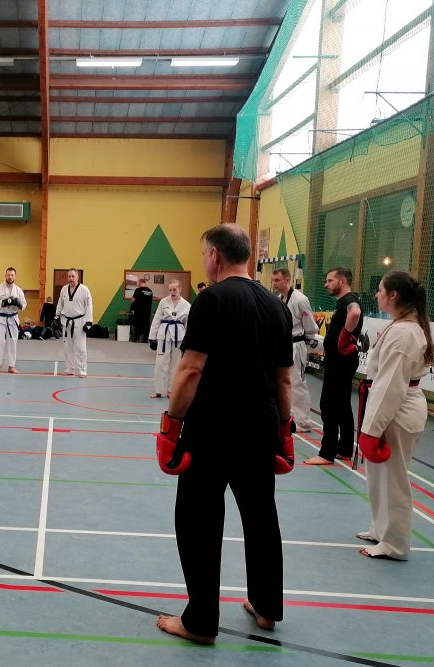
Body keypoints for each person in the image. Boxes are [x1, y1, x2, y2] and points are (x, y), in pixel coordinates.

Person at [155, 223, 292, 644]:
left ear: (215, 254)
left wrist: (170, 426)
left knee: (198, 519)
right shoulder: (277, 306)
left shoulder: (211, 299)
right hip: (260, 425)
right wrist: (284, 431)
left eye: (203, 255)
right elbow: (284, 380)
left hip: (212, 427)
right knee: (260, 516)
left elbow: (191, 369)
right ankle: (267, 608)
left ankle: (199, 621)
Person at [355, 272, 432, 561]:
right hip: (392, 407)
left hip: (397, 412)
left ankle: (395, 543)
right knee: (378, 477)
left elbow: (390, 387)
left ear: (394, 295)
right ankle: (381, 529)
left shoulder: (404, 333)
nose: (376, 295)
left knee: (394, 480)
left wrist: (371, 430)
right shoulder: (401, 326)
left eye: (380, 290)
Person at [306, 267, 364, 465]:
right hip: (339, 361)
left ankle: (326, 453)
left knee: (329, 405)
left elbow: (355, 312)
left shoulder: (349, 301)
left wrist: (345, 336)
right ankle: (345, 448)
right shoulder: (343, 302)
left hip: (340, 361)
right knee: (342, 404)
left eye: (330, 280)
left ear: (342, 281)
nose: (326, 284)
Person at [271, 268, 319, 431]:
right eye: (273, 280)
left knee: (297, 382)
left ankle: (303, 421)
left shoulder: (300, 299)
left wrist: (308, 342)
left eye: (277, 280)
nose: (274, 283)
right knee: (283, 381)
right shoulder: (279, 299)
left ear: (287, 280)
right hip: (283, 344)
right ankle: (289, 414)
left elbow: (310, 326)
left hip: (297, 344)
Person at [148, 279, 190, 398]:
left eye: (174, 289)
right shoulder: (163, 302)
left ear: (180, 290)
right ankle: (158, 390)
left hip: (179, 335)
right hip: (164, 333)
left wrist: (188, 341)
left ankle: (171, 390)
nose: (172, 292)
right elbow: (156, 319)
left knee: (176, 363)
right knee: (161, 362)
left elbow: (188, 324)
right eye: (170, 290)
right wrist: (152, 337)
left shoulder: (186, 305)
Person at [55, 269, 94, 378]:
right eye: (69, 276)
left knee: (80, 347)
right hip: (66, 322)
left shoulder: (84, 290)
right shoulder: (64, 289)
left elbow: (89, 306)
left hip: (80, 322)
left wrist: (89, 321)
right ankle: (70, 369)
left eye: (73, 276)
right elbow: (60, 303)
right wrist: (56, 316)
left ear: (77, 277)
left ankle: (82, 370)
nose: (71, 278)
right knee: (67, 347)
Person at [0, 267, 27, 373]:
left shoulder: (18, 290)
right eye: (8, 275)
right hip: (0, 317)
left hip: (13, 317)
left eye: (12, 275)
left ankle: (11, 366)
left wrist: (19, 304)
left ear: (15, 276)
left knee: (12, 341)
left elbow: (24, 305)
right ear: (5, 275)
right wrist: (3, 302)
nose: (10, 277)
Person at [131, 277, 155, 343]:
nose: (137, 284)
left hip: (139, 311)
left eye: (137, 283)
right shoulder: (150, 291)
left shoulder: (138, 290)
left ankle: (136, 338)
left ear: (140, 282)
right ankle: (145, 339)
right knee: (146, 325)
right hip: (147, 311)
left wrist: (133, 306)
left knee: (138, 324)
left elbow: (133, 300)